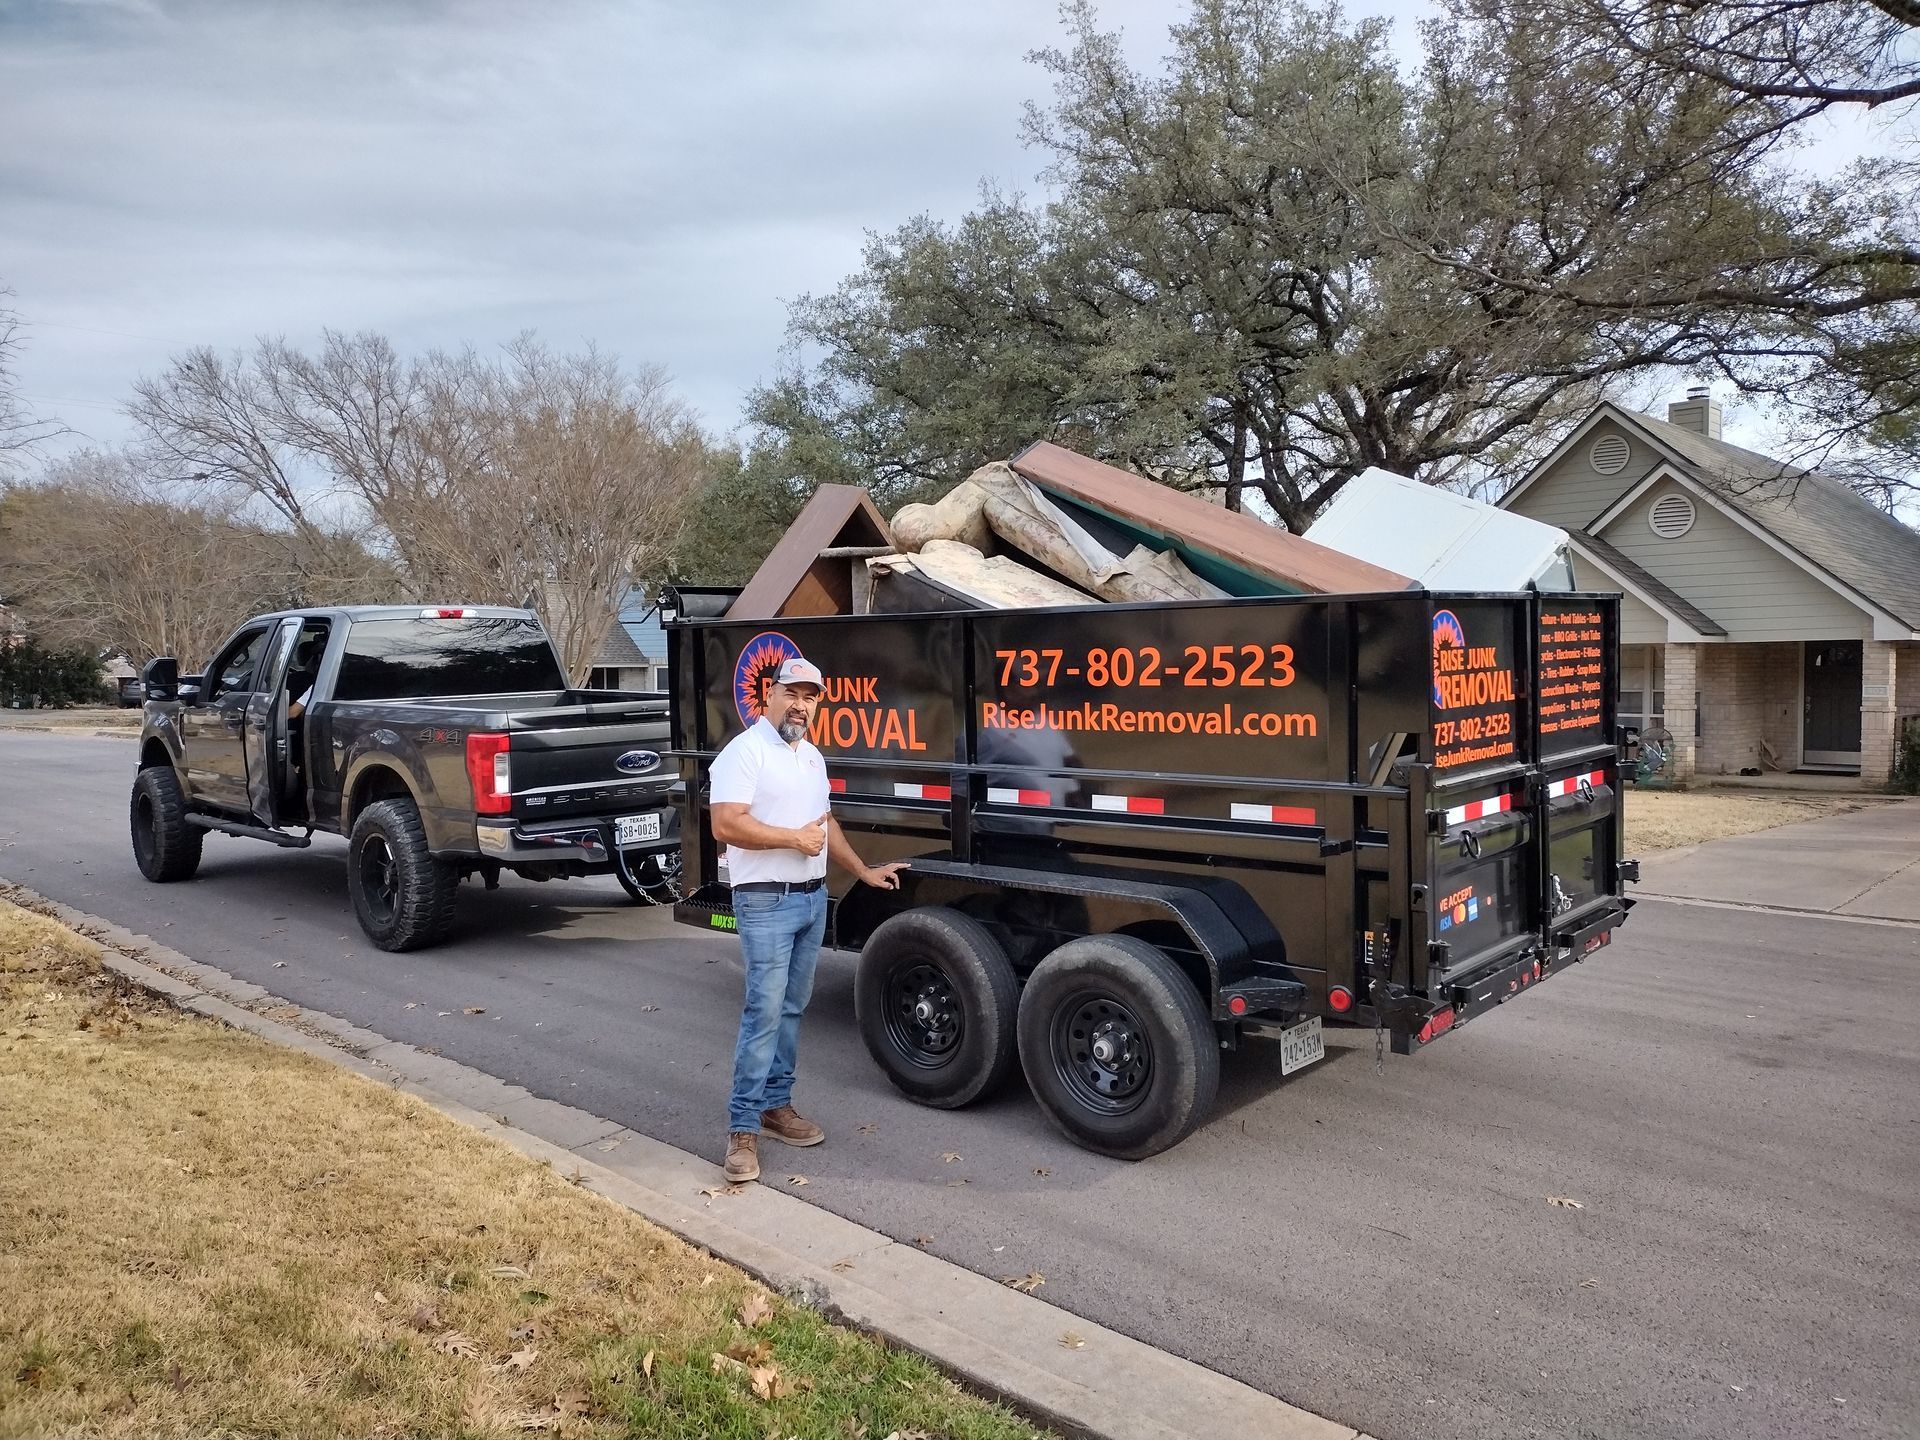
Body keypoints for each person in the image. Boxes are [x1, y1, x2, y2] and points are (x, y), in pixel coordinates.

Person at [708, 655, 906, 1183]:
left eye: (811, 696)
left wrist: (862, 872)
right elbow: (725, 824)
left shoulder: (812, 757)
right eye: (792, 693)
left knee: (793, 1009)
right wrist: (793, 840)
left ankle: (777, 1107)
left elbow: (825, 823)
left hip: (811, 900)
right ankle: (742, 1130)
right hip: (766, 901)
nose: (800, 704)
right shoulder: (745, 752)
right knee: (764, 1013)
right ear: (770, 694)